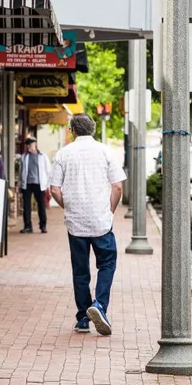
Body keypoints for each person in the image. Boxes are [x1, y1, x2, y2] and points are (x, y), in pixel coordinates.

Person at [49, 114, 126, 335]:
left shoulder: (63, 154)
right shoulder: (105, 151)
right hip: (101, 220)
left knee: (80, 271)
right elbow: (118, 187)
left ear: (72, 130)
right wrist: (109, 210)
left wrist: (69, 207)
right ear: (93, 129)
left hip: (76, 223)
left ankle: (83, 317)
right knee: (107, 263)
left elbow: (54, 189)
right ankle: (100, 304)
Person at [19, 136, 50, 233]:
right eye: (28, 145)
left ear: (35, 144)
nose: (29, 147)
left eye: (31, 144)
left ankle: (43, 226)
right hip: (27, 184)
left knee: (41, 205)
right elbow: (21, 172)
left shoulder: (42, 156)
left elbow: (48, 170)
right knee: (26, 206)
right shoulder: (24, 157)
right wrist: (20, 184)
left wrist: (48, 185)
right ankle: (28, 226)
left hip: (39, 184)